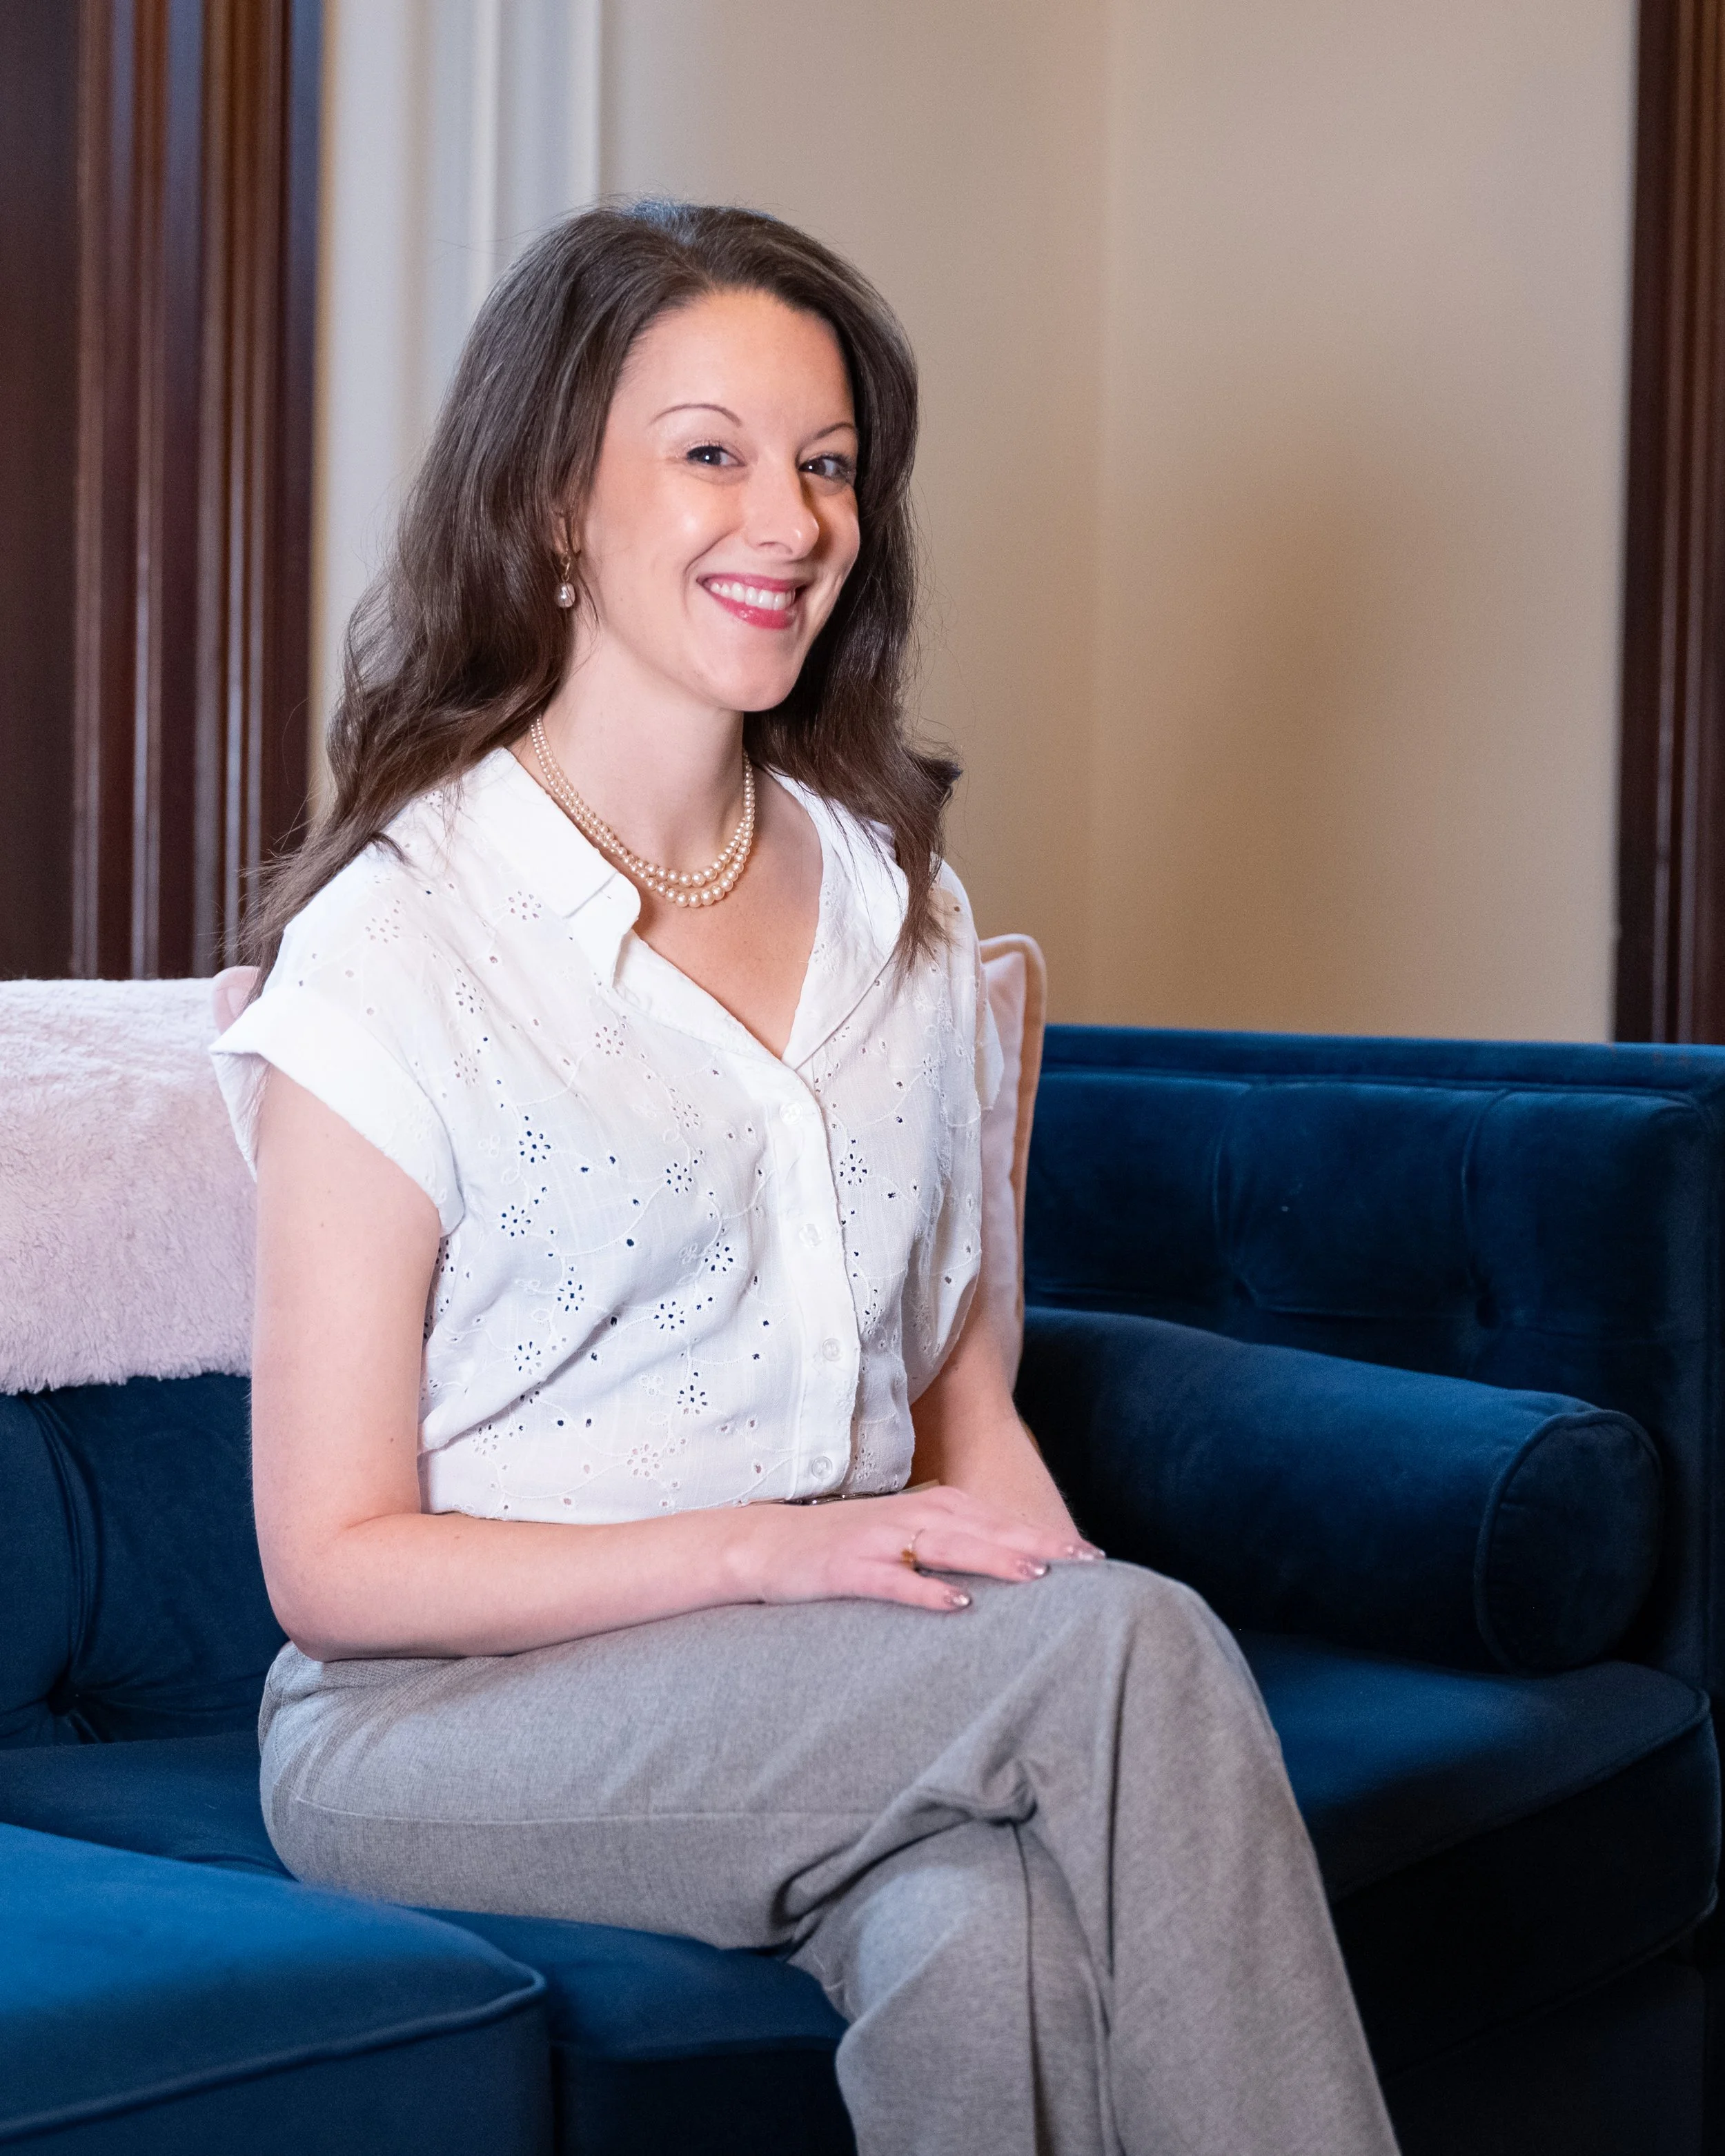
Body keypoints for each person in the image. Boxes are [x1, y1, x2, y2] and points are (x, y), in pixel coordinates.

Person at [212, 199, 1398, 2156]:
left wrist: (1058, 1634)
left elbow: (949, 1394)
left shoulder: (892, 903)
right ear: (554, 507)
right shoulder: (400, 944)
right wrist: (798, 1558)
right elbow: (329, 1560)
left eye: (827, 463)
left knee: (989, 1940)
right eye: (711, 452)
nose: (789, 517)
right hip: (434, 1722)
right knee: (1130, 1658)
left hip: (813, 1678)